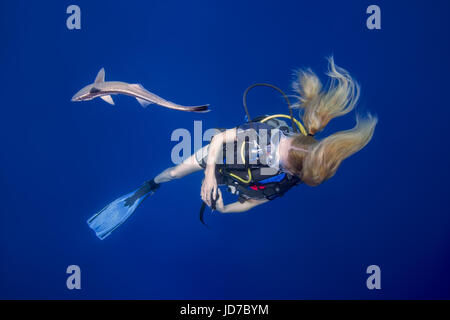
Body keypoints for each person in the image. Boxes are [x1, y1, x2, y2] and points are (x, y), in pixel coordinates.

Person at [87, 58, 377, 239]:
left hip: (239, 180)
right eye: (277, 145)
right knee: (175, 172)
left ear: (290, 170)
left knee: (231, 188)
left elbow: (252, 203)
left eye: (275, 156)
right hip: (219, 156)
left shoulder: (289, 178)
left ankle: (172, 184)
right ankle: (150, 186)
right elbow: (217, 140)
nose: (269, 149)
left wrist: (223, 208)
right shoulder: (266, 132)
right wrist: (210, 174)